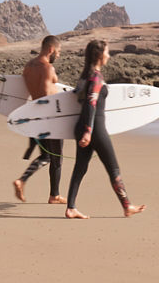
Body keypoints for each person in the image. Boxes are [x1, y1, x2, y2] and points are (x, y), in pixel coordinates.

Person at [64, 40, 145, 219]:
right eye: (107, 52)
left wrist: (84, 129)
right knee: (113, 168)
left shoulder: (84, 77)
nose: (109, 55)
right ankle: (127, 206)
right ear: (100, 55)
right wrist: (88, 130)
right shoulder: (96, 77)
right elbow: (91, 103)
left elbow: (78, 98)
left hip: (83, 126)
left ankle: (71, 207)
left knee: (80, 167)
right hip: (95, 128)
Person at [13, 36, 65, 204]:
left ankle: (22, 180)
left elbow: (30, 92)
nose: (58, 56)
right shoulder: (47, 68)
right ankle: (54, 195)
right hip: (49, 117)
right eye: (58, 52)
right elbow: (45, 95)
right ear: (51, 49)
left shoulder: (28, 66)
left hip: (33, 116)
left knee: (45, 156)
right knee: (55, 157)